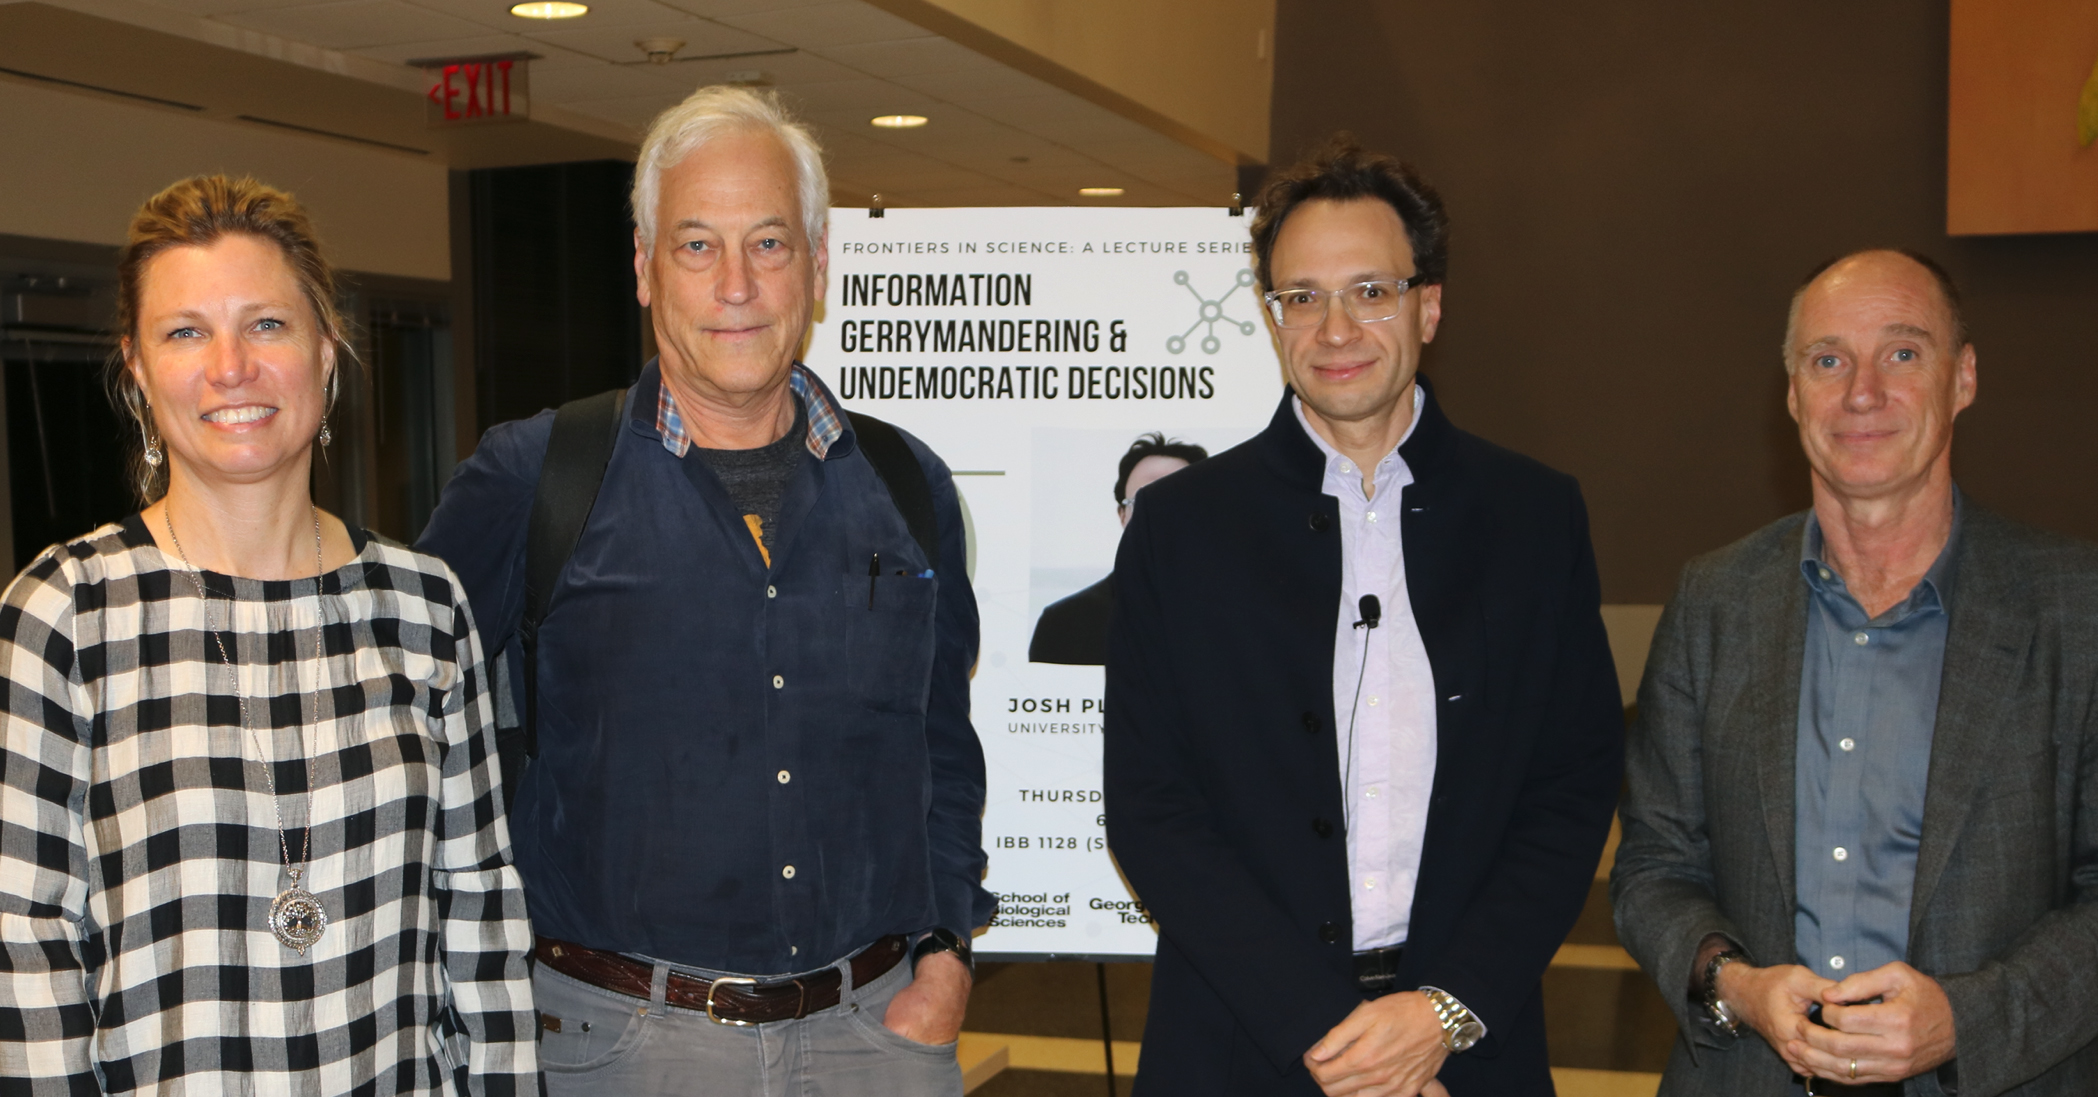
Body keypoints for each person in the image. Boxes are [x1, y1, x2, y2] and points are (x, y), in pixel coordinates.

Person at [416, 86, 991, 1097]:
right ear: (644, 267)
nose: (737, 284)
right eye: (696, 245)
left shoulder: (907, 485)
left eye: (768, 243)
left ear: (818, 264)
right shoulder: (536, 475)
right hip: (620, 1047)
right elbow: (408, 729)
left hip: (876, 1038)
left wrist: (945, 951)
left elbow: (940, 741)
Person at [1102, 136, 1624, 1096]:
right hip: (1241, 1044)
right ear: (1272, 318)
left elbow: (1570, 788)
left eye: (1370, 291)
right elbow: (1152, 806)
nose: (1335, 329)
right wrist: (1328, 1032)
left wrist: (1443, 1011)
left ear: (1430, 305)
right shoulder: (1180, 529)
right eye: (1302, 297)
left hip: (1467, 1049)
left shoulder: (1533, 517)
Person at [0, 175, 537, 1093]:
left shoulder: (423, 606)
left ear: (326, 352)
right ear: (137, 369)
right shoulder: (66, 612)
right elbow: (24, 941)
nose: (230, 366)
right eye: (185, 332)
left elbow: (481, 910)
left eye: (267, 324)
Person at [1611, 249, 2098, 1096]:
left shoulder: (2077, 608)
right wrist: (1737, 984)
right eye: (1828, 360)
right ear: (1793, 393)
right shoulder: (1714, 600)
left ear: (1964, 377)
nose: (1862, 392)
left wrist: (1965, 1020)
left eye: (1902, 353)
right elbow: (1654, 863)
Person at [1030, 432, 1207, 665]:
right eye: (1145, 501)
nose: (1161, 513)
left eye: (1177, 498)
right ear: (1122, 515)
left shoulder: (1239, 614)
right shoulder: (1065, 622)